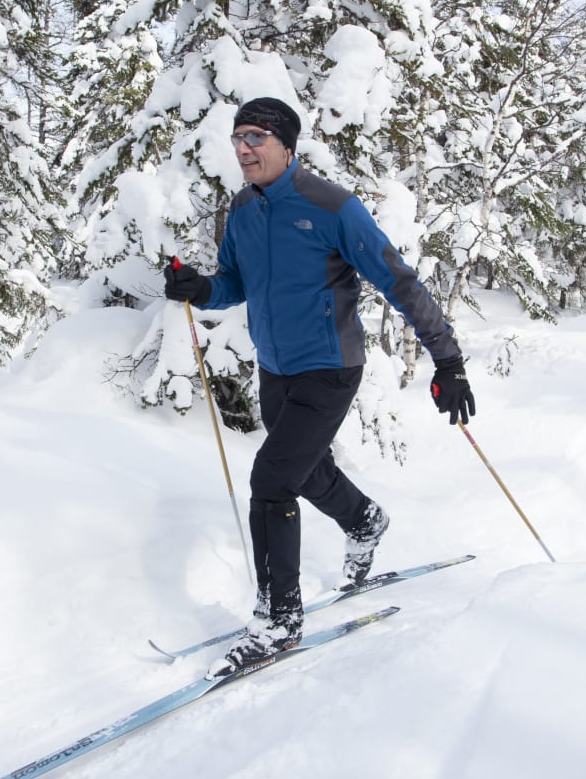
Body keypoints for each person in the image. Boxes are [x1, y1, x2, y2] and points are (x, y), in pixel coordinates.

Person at [163, 97, 475, 671]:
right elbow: (234, 282)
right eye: (238, 139)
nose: (244, 148)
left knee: (272, 480)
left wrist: (447, 360)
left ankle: (279, 620)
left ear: (287, 145)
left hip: (329, 366)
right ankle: (364, 520)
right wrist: (198, 289)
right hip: (276, 368)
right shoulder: (243, 210)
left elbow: (399, 282)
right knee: (304, 471)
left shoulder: (332, 207)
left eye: (256, 137)